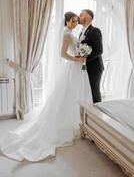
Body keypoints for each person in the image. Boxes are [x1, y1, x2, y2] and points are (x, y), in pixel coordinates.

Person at [0, 12, 92, 162]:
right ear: (67, 21)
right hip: (73, 67)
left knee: (75, 95)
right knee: (68, 96)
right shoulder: (67, 34)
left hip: (77, 69)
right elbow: (62, 54)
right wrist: (77, 59)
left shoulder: (71, 33)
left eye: (76, 21)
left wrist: (81, 56)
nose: (75, 23)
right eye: (73, 21)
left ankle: (78, 122)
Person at [79, 9, 104, 103]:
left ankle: (98, 113)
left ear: (88, 17)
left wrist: (85, 59)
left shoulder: (95, 30)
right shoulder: (81, 32)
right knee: (87, 91)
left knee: (94, 91)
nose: (79, 16)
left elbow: (99, 50)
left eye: (81, 15)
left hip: (95, 68)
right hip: (85, 67)